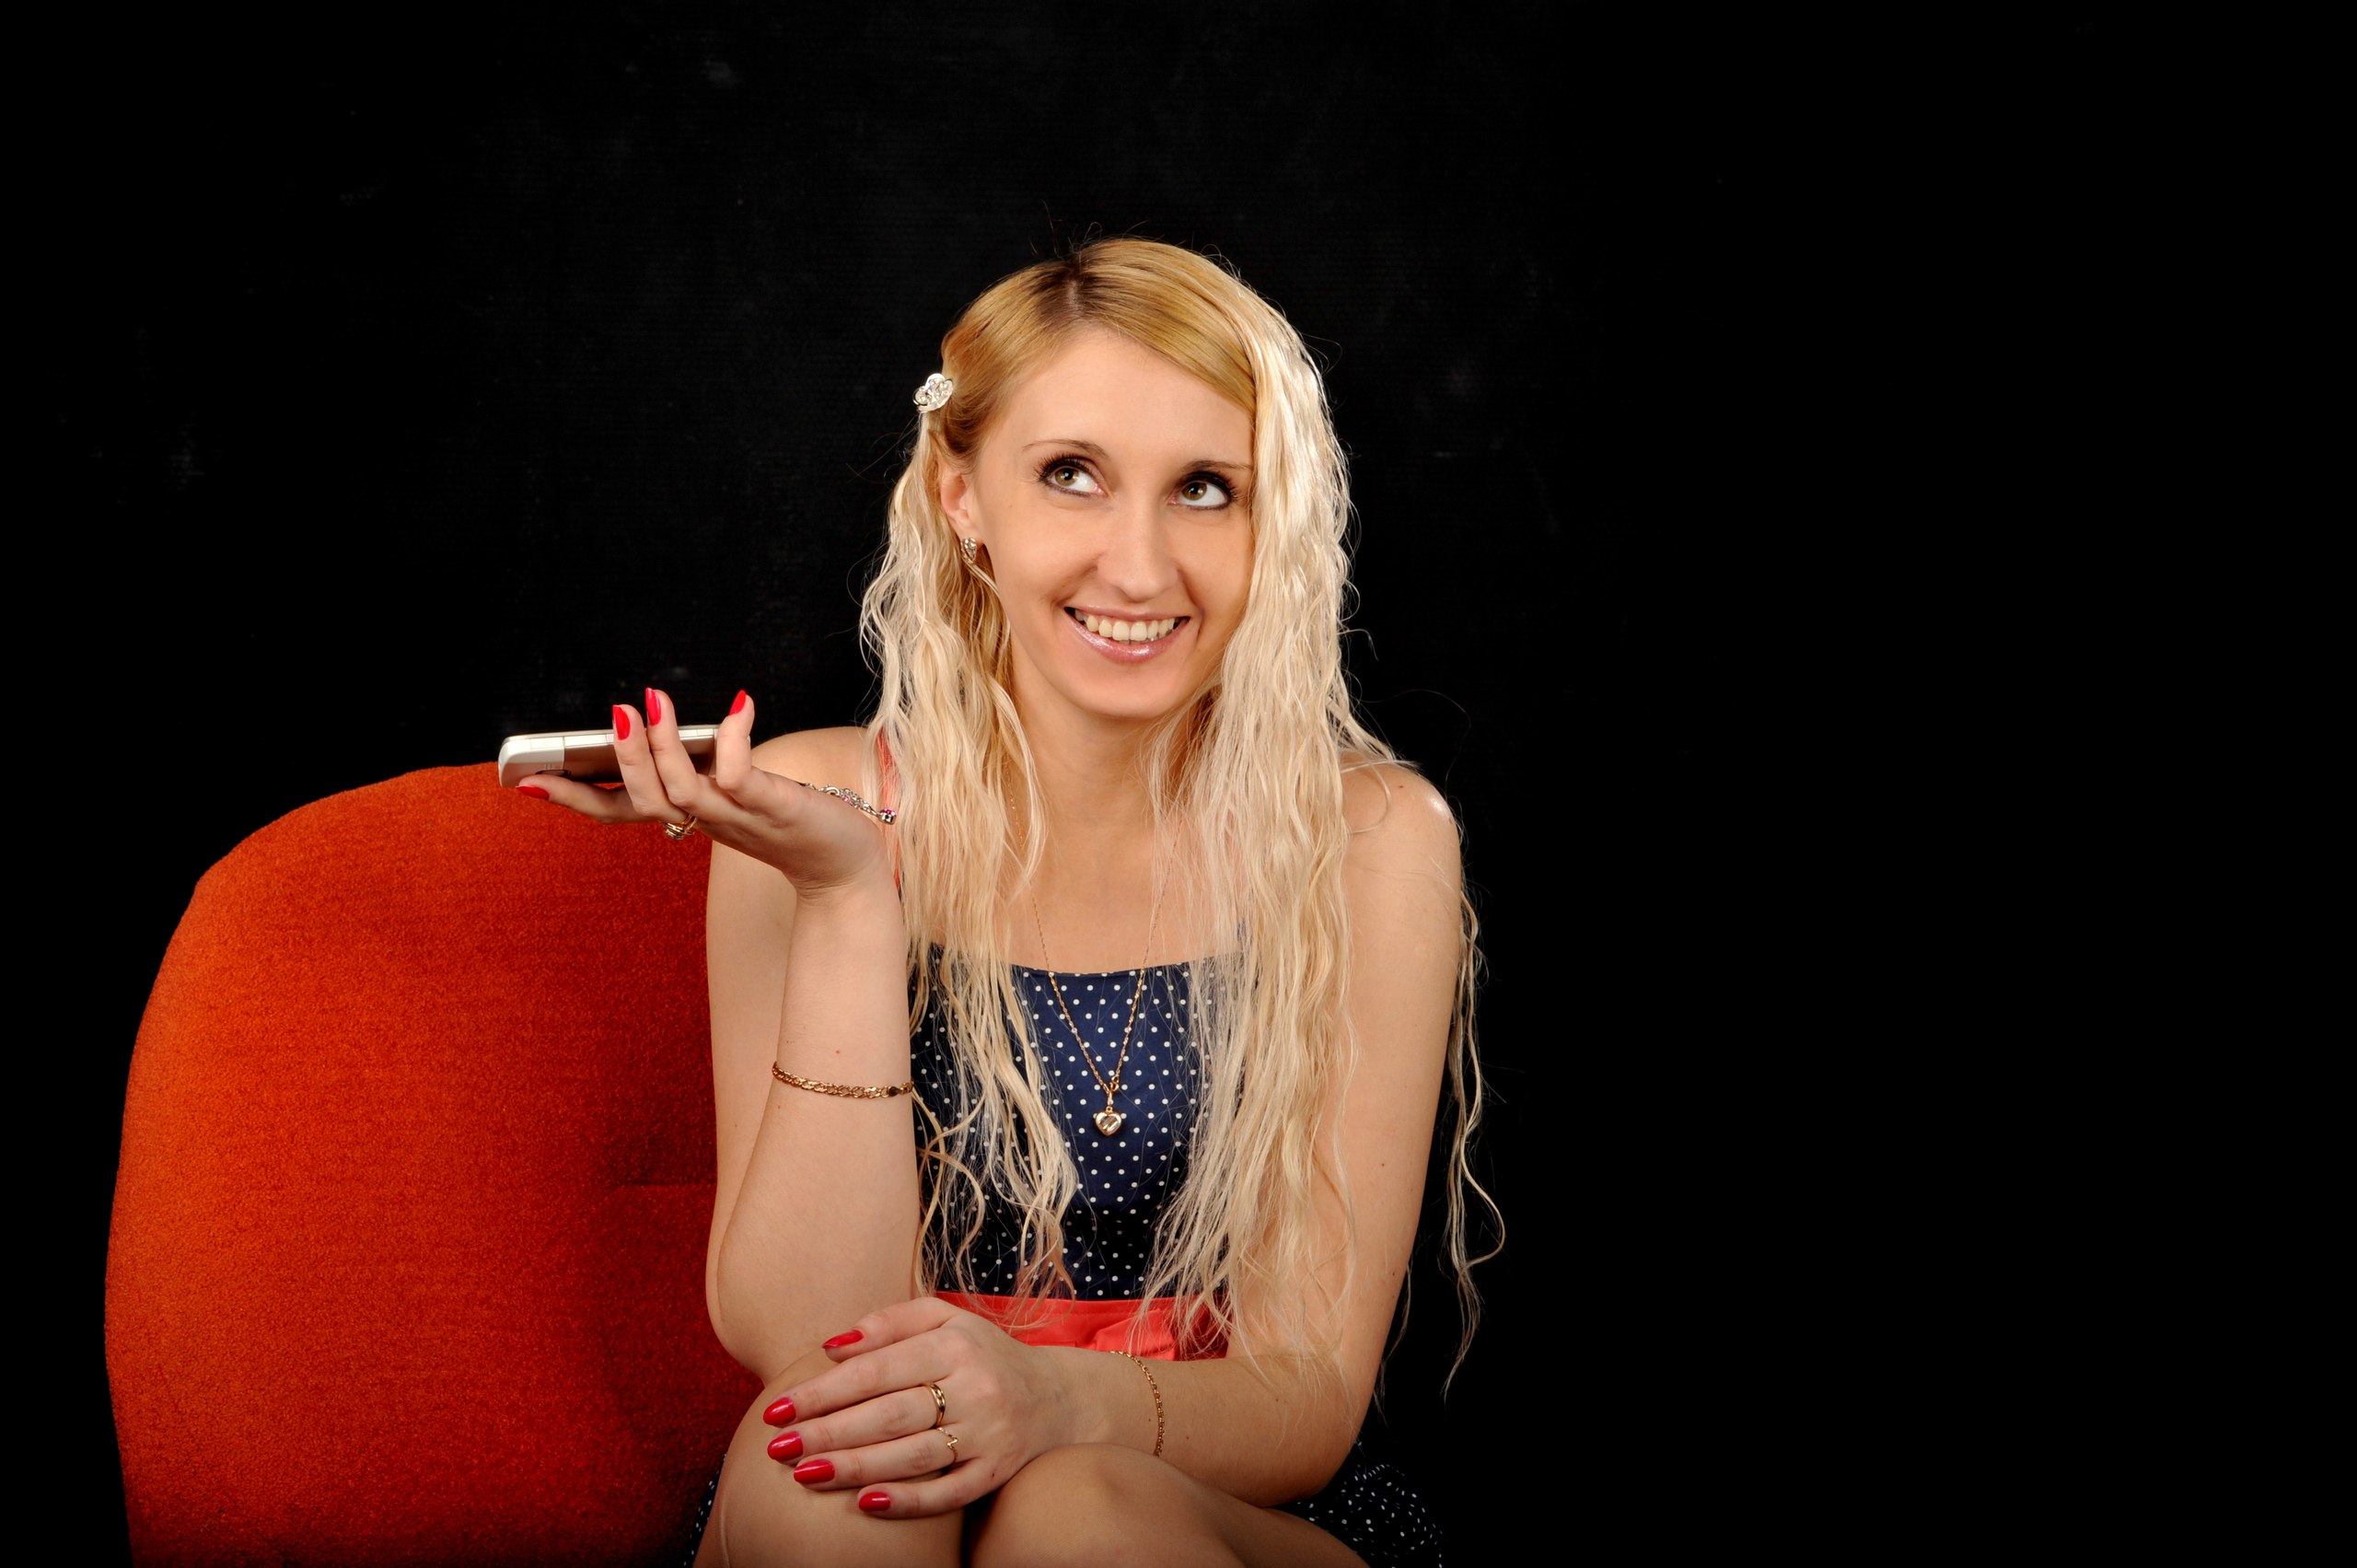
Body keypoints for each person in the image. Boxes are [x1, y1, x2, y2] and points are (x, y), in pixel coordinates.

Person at [523, 238, 1492, 1566]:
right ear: (961, 493)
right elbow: (805, 1343)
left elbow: (1305, 1402)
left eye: (1206, 489)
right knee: (835, 1475)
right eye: (1071, 474)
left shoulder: (1370, 840)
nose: (1139, 569)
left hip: (1218, 1488)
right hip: (887, 1460)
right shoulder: (809, 805)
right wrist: (849, 899)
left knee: (1074, 1514)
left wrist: (1052, 1401)